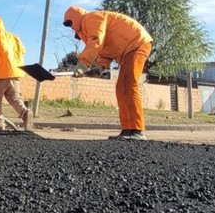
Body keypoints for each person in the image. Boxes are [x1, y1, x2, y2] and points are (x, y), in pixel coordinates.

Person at [63, 7, 153, 141]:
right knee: (121, 88)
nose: (71, 27)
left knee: (129, 85)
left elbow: (96, 40)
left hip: (137, 43)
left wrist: (83, 63)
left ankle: (137, 130)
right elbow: (105, 50)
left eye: (70, 23)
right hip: (129, 48)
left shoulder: (92, 18)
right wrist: (100, 67)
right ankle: (128, 129)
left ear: (76, 17)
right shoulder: (88, 28)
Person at [0, 15, 32, 130]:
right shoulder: (13, 37)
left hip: (2, 73)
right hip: (16, 72)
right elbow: (22, 51)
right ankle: (25, 113)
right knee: (13, 96)